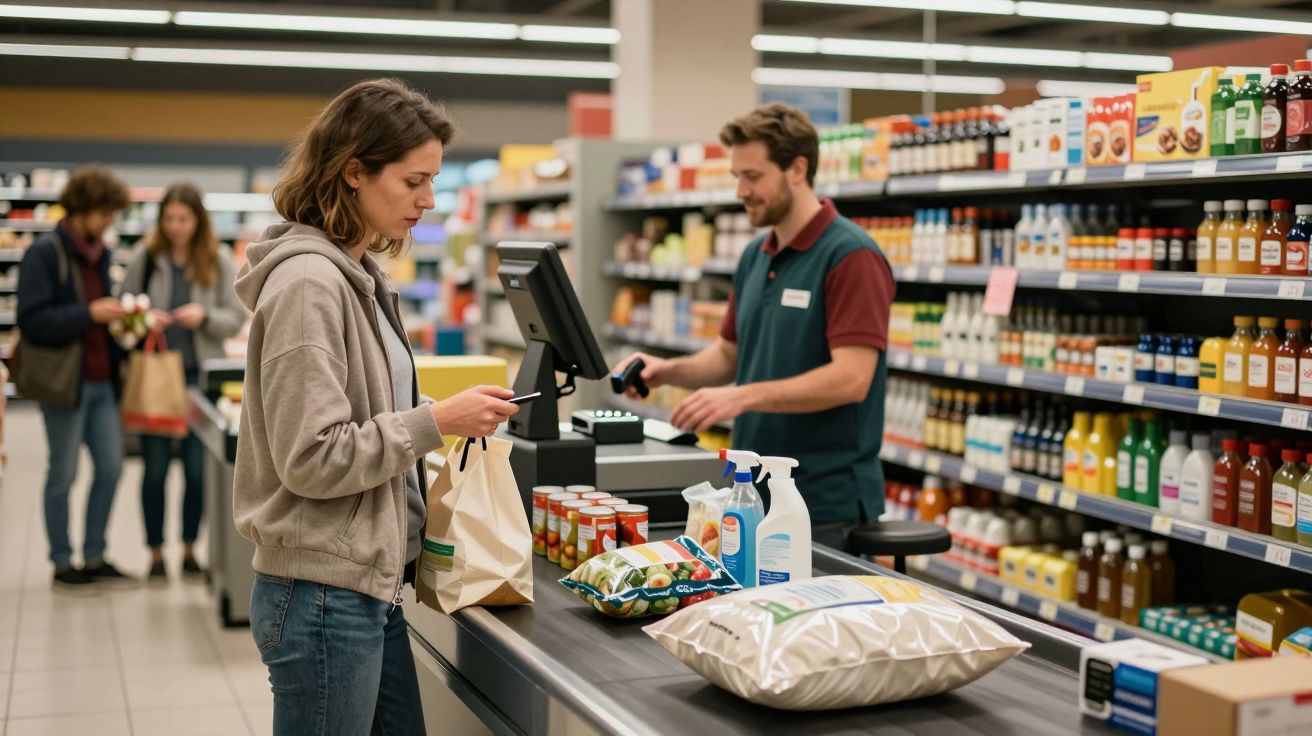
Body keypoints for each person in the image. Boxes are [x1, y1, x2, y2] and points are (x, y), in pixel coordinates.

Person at [234, 78, 519, 735]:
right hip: (321, 596)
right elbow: (311, 457)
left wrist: (444, 410)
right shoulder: (310, 283)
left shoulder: (357, 273)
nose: (428, 200)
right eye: (414, 181)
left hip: (366, 588)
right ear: (354, 172)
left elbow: (366, 403)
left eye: (434, 181)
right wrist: (436, 422)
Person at [614, 103, 896, 548]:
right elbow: (728, 355)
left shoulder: (850, 256)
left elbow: (852, 379)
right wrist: (667, 370)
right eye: (736, 176)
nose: (741, 190)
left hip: (821, 505)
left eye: (753, 176)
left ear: (797, 169)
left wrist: (741, 397)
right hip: (752, 495)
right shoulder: (755, 255)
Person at [17, 165, 136, 588]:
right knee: (63, 472)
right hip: (64, 384)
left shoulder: (101, 255)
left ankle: (95, 553)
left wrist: (127, 321)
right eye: (104, 213)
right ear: (82, 208)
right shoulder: (44, 254)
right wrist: (89, 313)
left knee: (110, 467)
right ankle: (63, 561)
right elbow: (31, 321)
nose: (108, 222)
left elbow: (103, 312)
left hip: (103, 380)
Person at [121, 182, 245, 579]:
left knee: (197, 473)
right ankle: (156, 554)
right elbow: (125, 313)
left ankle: (191, 549)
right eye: (169, 218)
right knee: (155, 470)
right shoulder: (147, 257)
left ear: (198, 220)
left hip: (200, 380)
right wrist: (144, 319)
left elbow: (235, 318)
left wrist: (204, 317)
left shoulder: (218, 259)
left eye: (183, 218)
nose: (175, 226)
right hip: (159, 377)